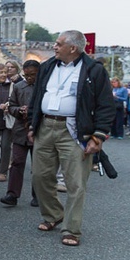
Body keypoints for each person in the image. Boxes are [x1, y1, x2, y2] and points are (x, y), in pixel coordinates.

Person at [27, 30, 113, 247]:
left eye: (58, 44)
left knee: (75, 183)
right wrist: (32, 123)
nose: (54, 47)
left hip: (74, 129)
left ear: (73, 48)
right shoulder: (47, 66)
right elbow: (36, 97)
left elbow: (105, 105)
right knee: (40, 176)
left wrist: (98, 136)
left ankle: (71, 229)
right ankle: (54, 214)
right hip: (45, 126)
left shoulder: (94, 70)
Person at [0, 60, 40, 207]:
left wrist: (33, 111)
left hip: (38, 131)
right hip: (20, 131)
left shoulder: (44, 88)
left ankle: (38, 195)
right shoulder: (18, 86)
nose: (29, 78)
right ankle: (12, 194)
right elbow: (11, 106)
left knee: (38, 165)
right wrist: (19, 110)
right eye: (26, 75)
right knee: (16, 162)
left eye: (33, 75)